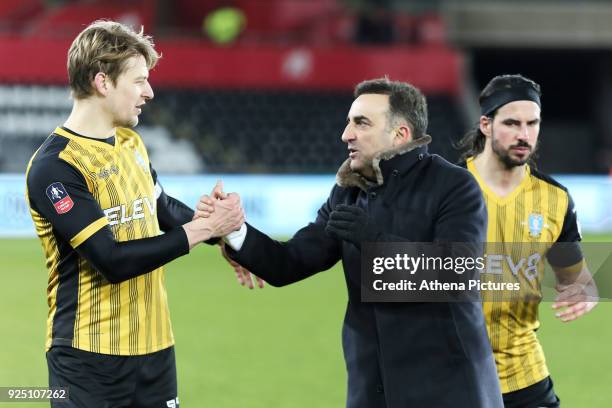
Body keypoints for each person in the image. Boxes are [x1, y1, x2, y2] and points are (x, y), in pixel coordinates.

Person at [199, 77, 503, 407]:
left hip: (448, 390)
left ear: (400, 134)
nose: (346, 134)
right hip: (371, 389)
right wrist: (233, 229)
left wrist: (373, 239)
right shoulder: (348, 192)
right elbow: (290, 262)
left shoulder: (454, 187)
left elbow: (455, 275)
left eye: (361, 123)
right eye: (348, 122)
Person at [25, 20, 245, 407]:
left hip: (156, 352)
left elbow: (161, 209)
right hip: (86, 361)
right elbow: (112, 260)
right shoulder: (56, 166)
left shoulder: (130, 142)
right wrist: (201, 230)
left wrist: (223, 233)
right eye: (139, 81)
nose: (150, 92)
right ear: (102, 82)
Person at [457, 74, 598, 408]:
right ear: (486, 125)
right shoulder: (445, 187)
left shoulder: (555, 199)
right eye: (512, 123)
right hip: (453, 373)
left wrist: (584, 293)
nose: (524, 134)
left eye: (532, 123)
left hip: (525, 376)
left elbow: (575, 279)